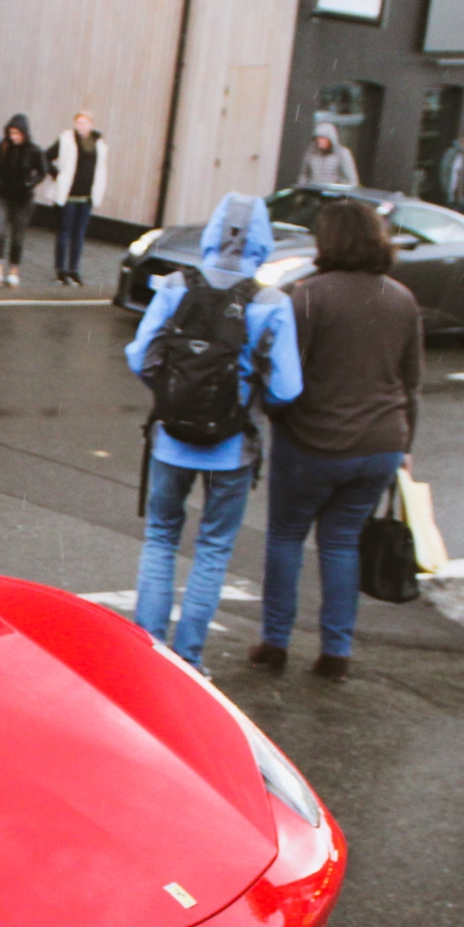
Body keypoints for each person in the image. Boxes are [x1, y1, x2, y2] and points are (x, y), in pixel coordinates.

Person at [126, 191, 301, 668]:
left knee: (161, 537)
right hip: (232, 445)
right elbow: (287, 388)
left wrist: (168, 391)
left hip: (171, 437)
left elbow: (140, 357)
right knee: (213, 547)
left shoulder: (177, 286)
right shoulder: (271, 302)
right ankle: (189, 659)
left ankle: (149, 653)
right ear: (263, 242)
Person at [252, 199, 424, 681]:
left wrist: (273, 413)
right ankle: (335, 651)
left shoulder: (307, 296)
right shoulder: (401, 298)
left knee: (286, 538)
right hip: (381, 444)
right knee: (342, 542)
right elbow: (412, 383)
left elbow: (285, 376)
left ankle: (275, 643)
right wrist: (406, 444)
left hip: (312, 442)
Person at [0, 114, 47, 290]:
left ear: (25, 133)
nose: (14, 136)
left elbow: (43, 171)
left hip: (23, 199)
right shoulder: (4, 147)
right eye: (11, 132)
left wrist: (31, 183)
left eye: (17, 133)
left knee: (18, 237)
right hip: (4, 195)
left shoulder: (34, 150)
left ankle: (13, 272)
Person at [43, 112, 104, 286]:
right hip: (68, 196)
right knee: (64, 232)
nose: (81, 126)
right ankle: (60, 270)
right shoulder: (66, 140)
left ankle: (74, 269)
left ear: (91, 125)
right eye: (78, 122)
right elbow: (46, 155)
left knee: (79, 234)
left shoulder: (98, 144)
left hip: (86, 197)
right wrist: (56, 174)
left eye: (84, 122)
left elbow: (100, 169)